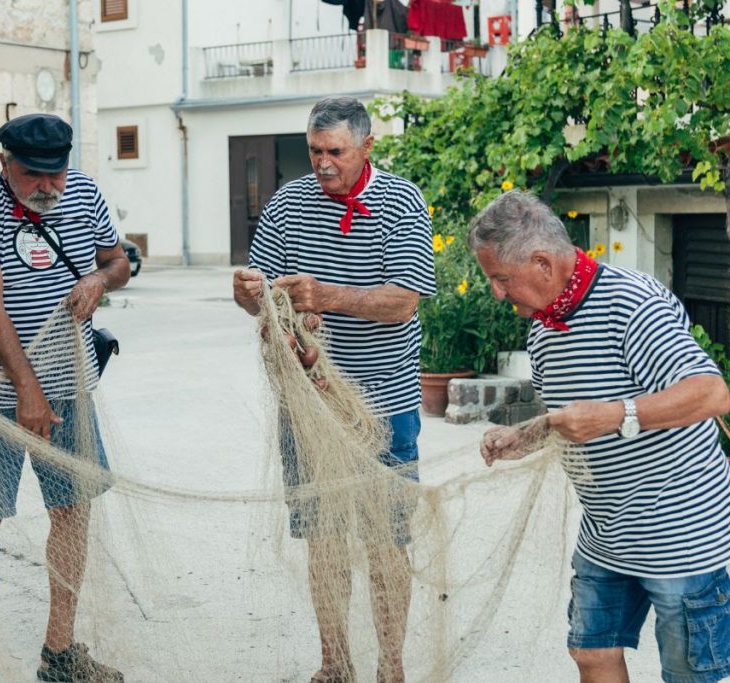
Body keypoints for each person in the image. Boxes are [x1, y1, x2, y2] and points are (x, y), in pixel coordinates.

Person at [471, 190, 730, 683]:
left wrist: (617, 413)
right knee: (590, 652)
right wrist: (524, 435)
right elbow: (567, 419)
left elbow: (712, 393)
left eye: (500, 279)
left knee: (687, 673)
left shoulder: (634, 303)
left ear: (543, 264)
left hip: (679, 536)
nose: (497, 294)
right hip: (605, 535)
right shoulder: (544, 331)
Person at [233, 96, 436, 683]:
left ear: (367, 148)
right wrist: (252, 294)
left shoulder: (401, 200)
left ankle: (391, 668)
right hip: (309, 400)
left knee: (386, 537)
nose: (322, 163)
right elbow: (258, 292)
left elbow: (403, 300)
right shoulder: (290, 201)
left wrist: (326, 296)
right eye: (314, 150)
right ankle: (334, 664)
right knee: (322, 535)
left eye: (336, 152)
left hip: (386, 402)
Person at [0, 113, 130, 683]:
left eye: (58, 174)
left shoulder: (87, 194)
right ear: (5, 164)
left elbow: (118, 261)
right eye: (33, 176)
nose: (48, 187)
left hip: (69, 383)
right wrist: (25, 389)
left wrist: (101, 281)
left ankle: (60, 651)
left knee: (73, 511)